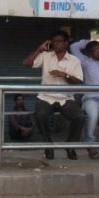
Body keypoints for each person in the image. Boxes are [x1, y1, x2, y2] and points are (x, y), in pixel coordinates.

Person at [23, 30, 85, 160]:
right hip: (46, 97)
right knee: (40, 115)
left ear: (66, 43)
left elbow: (79, 81)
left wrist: (65, 75)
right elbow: (26, 63)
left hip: (65, 98)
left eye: (59, 41)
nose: (56, 44)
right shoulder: (46, 56)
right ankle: (48, 144)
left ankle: (70, 145)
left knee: (79, 117)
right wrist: (39, 49)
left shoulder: (74, 60)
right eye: (54, 41)